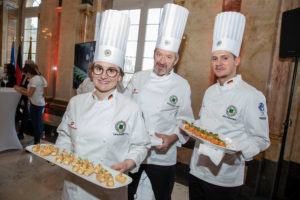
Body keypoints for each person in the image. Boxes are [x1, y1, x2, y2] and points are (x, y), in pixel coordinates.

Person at [55, 10, 150, 200]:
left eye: (111, 70)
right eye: (99, 68)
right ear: (92, 72)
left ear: (120, 76)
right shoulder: (75, 103)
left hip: (109, 187)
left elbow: (141, 145)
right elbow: (65, 135)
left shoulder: (130, 108)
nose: (104, 75)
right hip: (74, 186)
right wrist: (59, 153)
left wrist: (129, 163)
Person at [189, 11, 270, 200]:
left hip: (224, 178)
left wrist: (236, 148)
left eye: (225, 58)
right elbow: (204, 124)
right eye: (214, 58)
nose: (218, 63)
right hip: (196, 169)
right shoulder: (210, 91)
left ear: (237, 61)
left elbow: (261, 139)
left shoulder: (251, 95)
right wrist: (190, 126)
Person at [125, 3, 194, 200]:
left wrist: (172, 138)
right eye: (159, 54)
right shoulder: (138, 77)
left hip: (163, 157)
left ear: (176, 60)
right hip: (135, 150)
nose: (162, 61)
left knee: (163, 197)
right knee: (127, 193)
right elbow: (125, 110)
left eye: (168, 56)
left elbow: (186, 122)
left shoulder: (182, 85)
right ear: (154, 53)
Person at [14, 63, 47, 144]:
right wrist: (21, 88)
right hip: (37, 103)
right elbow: (32, 91)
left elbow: (29, 94)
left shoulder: (35, 79)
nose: (25, 75)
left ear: (28, 72)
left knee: (36, 125)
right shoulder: (38, 78)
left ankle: (37, 143)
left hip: (37, 105)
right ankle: (37, 142)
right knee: (37, 124)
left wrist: (19, 90)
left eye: (25, 73)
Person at [16, 60, 35, 140]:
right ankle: (16, 130)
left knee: (25, 116)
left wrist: (21, 88)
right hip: (21, 97)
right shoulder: (24, 75)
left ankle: (21, 133)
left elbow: (30, 90)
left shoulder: (34, 77)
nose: (25, 65)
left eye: (27, 64)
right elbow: (22, 84)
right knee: (17, 113)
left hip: (28, 99)